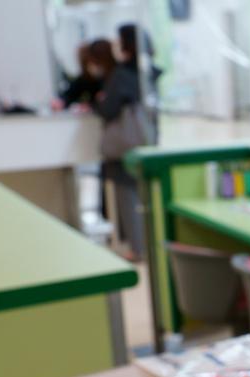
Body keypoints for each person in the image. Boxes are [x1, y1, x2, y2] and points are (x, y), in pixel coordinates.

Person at [88, 35, 157, 261]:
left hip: (124, 147)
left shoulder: (121, 75)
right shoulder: (148, 72)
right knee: (143, 197)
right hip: (146, 140)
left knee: (127, 197)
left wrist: (99, 101)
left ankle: (137, 248)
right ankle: (147, 244)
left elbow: (108, 109)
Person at [53, 43, 102, 110]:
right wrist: (62, 101)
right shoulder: (83, 79)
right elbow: (69, 94)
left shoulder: (103, 79)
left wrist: (92, 105)